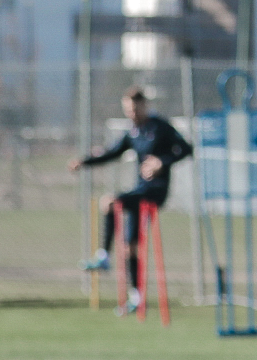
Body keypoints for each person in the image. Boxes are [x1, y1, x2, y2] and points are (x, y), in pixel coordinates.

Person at [70, 86, 192, 313]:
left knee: (109, 202)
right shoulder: (133, 132)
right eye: (128, 110)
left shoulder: (160, 127)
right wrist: (84, 162)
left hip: (155, 191)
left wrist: (162, 162)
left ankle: (104, 256)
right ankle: (137, 297)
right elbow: (112, 153)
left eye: (135, 109)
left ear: (144, 106)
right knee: (130, 248)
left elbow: (185, 149)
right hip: (139, 190)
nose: (132, 114)